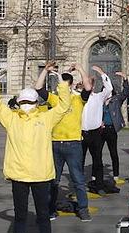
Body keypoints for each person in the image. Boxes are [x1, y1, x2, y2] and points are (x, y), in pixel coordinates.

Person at [0, 68, 71, 233]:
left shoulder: (46, 118)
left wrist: (62, 85)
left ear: (37, 103)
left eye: (30, 102)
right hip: (19, 174)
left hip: (41, 174)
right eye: (23, 102)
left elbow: (63, 106)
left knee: (43, 215)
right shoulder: (11, 119)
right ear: (18, 103)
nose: (26, 105)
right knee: (20, 215)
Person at [36, 63, 91, 221]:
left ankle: (83, 209)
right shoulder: (55, 99)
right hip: (55, 144)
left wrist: (80, 68)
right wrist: (45, 71)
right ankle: (51, 209)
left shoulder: (78, 99)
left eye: (66, 85)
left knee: (78, 179)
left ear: (72, 85)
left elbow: (87, 88)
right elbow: (39, 88)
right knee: (53, 180)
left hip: (73, 144)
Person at [81, 65, 120, 194]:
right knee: (79, 161)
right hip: (81, 134)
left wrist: (102, 73)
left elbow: (109, 88)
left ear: (91, 86)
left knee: (97, 160)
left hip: (95, 133)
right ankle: (79, 186)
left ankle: (99, 185)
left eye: (87, 84)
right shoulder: (79, 98)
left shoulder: (98, 97)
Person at [101, 70, 129, 180]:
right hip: (100, 130)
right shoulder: (100, 100)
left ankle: (116, 175)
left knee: (113, 153)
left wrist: (125, 79)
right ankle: (96, 176)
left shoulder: (117, 99)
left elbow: (126, 92)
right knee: (97, 153)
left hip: (111, 129)